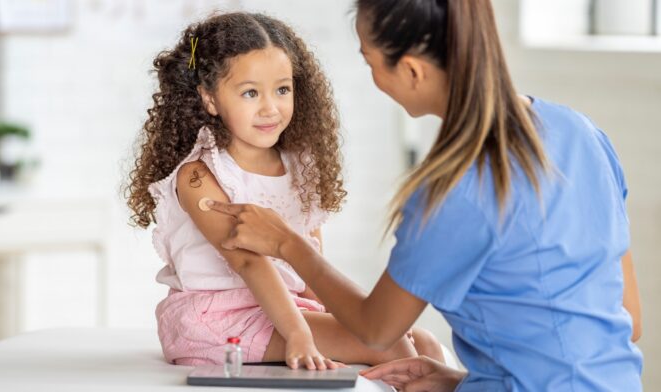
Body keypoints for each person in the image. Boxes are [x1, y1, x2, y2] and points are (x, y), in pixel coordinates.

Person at [204, 0, 643, 390]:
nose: (373, 76)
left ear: (412, 70)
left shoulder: (452, 189)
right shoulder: (581, 133)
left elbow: (376, 330)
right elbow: (626, 319)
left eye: (370, 61)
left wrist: (286, 242)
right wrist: (469, 381)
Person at [125, 11, 443, 370]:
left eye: (282, 89)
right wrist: (299, 334)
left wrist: (326, 320)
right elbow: (247, 260)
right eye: (250, 93)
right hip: (218, 318)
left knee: (427, 343)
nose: (270, 108)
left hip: (284, 310)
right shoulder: (199, 175)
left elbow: (311, 260)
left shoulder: (300, 167)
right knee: (394, 347)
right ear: (210, 99)